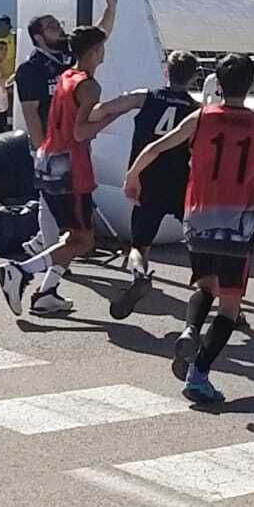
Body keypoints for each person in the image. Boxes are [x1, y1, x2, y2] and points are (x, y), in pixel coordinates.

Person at [125, 53, 254, 403]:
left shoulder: (200, 118)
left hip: (199, 217)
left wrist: (133, 175)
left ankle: (189, 328)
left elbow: (158, 146)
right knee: (230, 306)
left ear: (216, 85)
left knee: (206, 286)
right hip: (237, 224)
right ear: (251, 86)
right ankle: (199, 374)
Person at [0, 25, 144, 317]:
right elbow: (80, 131)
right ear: (95, 51)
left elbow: (79, 114)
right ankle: (20, 271)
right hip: (71, 167)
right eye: (102, 47)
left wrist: (115, 106)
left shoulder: (66, 76)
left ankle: (46, 293)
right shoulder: (89, 84)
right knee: (82, 239)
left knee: (72, 237)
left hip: (49, 159)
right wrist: (116, 114)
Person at [17, 0, 119, 256]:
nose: (59, 29)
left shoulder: (68, 55)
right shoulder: (30, 69)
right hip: (50, 143)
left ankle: (51, 250)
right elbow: (31, 113)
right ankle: (50, 253)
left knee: (64, 203)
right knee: (48, 201)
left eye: (59, 23)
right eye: (51, 26)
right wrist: (42, 150)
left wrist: (111, 9)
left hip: (73, 139)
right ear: (38, 36)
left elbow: (96, 38)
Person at [109, 51, 203, 319]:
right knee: (196, 238)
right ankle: (213, 289)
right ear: (194, 77)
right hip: (178, 181)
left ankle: (139, 273)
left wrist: (92, 117)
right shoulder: (195, 111)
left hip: (146, 178)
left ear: (166, 73)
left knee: (140, 244)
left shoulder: (146, 97)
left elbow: (110, 107)